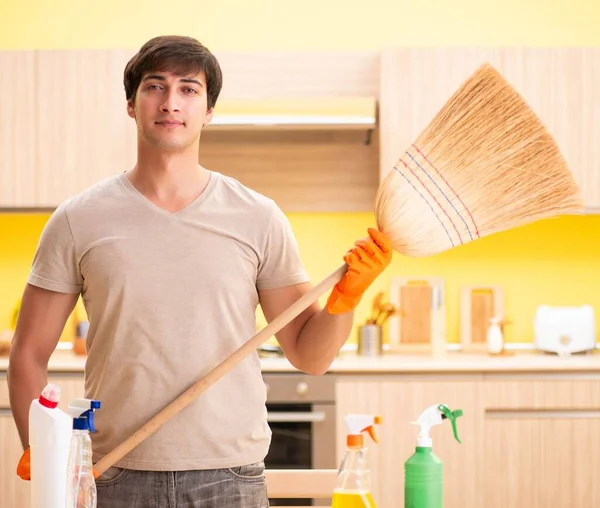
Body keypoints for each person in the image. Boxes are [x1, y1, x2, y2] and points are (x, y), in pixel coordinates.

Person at [8, 35, 392, 507]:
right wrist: (40, 449)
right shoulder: (77, 219)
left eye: (189, 89)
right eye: (155, 86)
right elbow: (27, 353)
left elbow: (309, 357)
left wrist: (344, 301)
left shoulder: (258, 216)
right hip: (113, 476)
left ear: (209, 110)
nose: (171, 103)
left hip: (229, 479)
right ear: (131, 104)